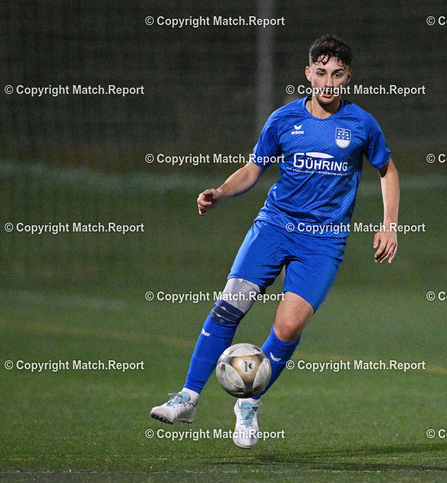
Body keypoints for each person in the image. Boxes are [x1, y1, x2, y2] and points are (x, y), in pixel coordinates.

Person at [150, 34, 400, 449]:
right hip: (274, 226)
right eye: (321, 72)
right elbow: (254, 168)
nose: (328, 82)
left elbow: (387, 170)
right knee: (230, 305)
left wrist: (389, 224)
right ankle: (188, 397)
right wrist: (220, 192)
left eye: (337, 74)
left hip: (323, 242)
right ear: (308, 74)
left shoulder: (361, 124)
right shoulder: (284, 119)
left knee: (288, 326)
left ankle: (248, 403)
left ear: (348, 77)